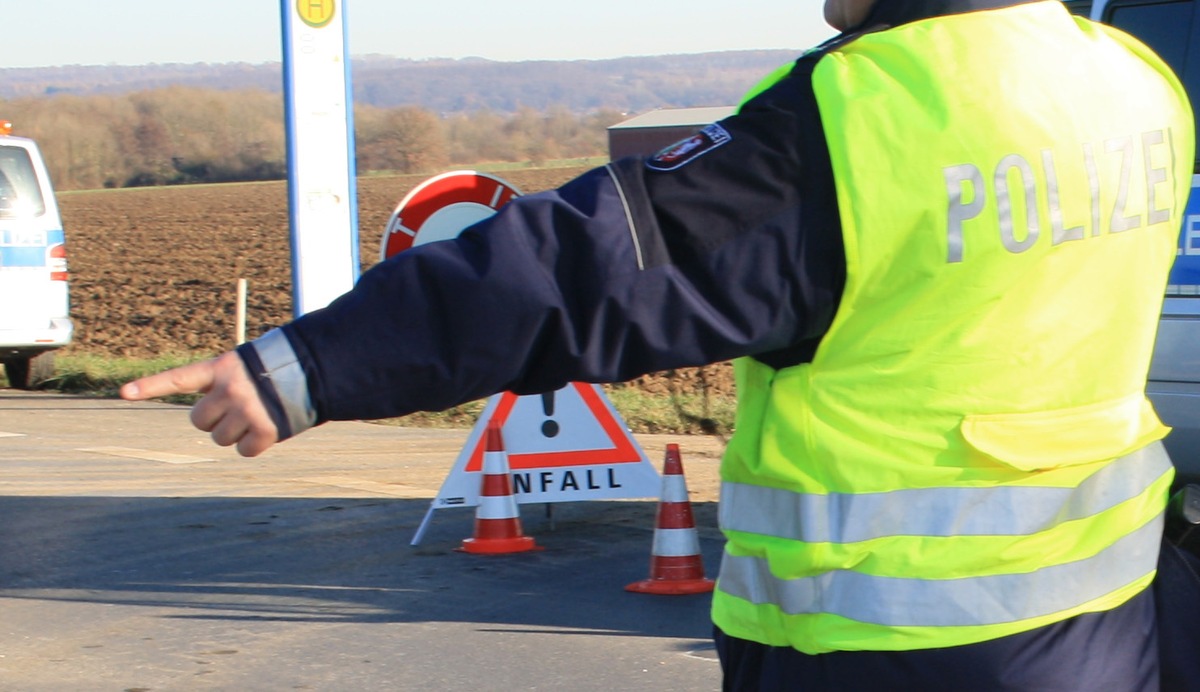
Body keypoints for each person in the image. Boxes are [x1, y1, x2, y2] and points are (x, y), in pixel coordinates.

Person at [122, 0, 1195, 689]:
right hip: (1102, 625)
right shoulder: (1137, 82)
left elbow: (585, 271)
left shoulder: (858, 118)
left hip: (896, 651)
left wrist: (306, 365)